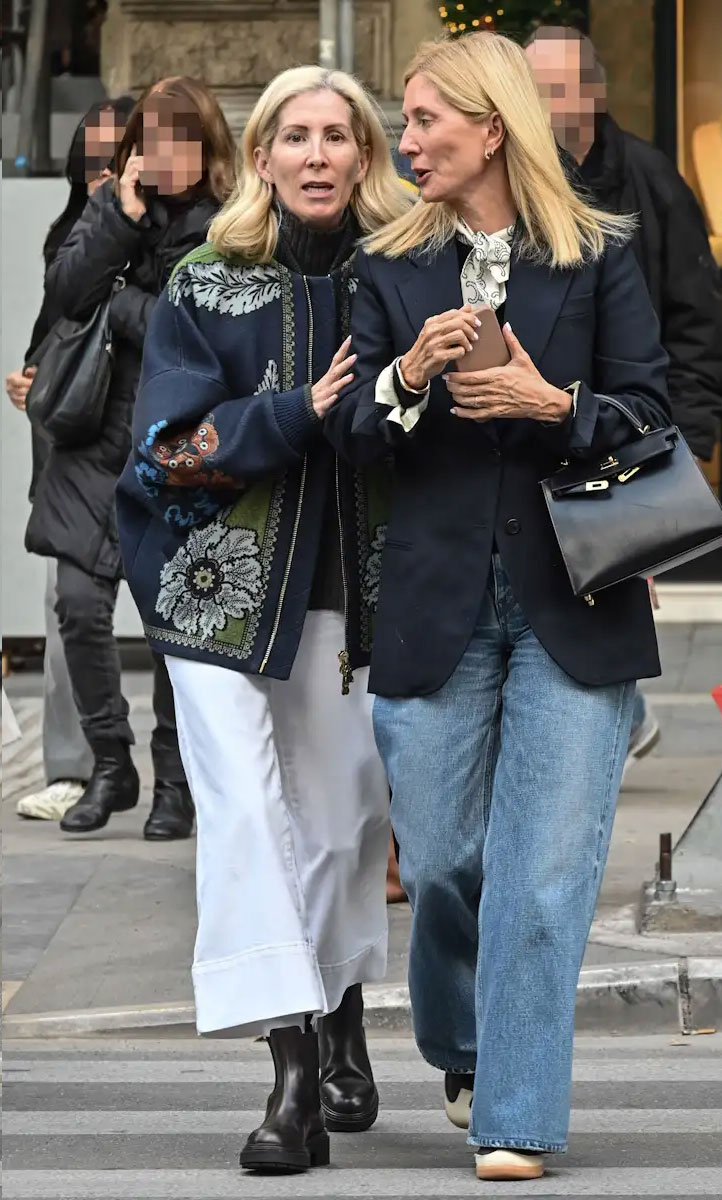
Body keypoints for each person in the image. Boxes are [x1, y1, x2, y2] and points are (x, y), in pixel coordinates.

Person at [325, 32, 671, 1183]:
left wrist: (550, 403)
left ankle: (513, 1114)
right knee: (440, 859)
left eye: (424, 117)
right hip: (435, 603)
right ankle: (464, 1043)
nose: (406, 137)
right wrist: (408, 377)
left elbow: (651, 416)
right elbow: (354, 438)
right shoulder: (386, 267)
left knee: (542, 870)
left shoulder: (596, 256)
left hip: (575, 594)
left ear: (489, 127)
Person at [116, 66, 412, 1175]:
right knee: (244, 811)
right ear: (262, 156)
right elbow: (168, 448)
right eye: (296, 135)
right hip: (215, 590)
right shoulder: (207, 279)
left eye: (338, 134)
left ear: (365, 154)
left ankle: (339, 1009)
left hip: (351, 591)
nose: (317, 154)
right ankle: (290, 1072)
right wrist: (295, 412)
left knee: (339, 826)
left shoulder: (403, 273)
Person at [24, 77, 236, 840]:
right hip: (90, 440)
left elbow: (200, 333)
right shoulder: (112, 206)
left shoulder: (228, 226)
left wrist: (119, 305)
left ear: (207, 150)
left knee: (168, 623)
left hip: (173, 448)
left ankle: (174, 783)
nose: (166, 153)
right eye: (153, 138)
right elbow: (63, 292)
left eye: (182, 140)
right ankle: (110, 764)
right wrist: (119, 216)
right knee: (78, 606)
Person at [525, 26, 722, 778]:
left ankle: (614, 725)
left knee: (607, 588)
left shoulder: (649, 180)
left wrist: (688, 444)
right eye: (529, 88)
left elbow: (696, 322)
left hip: (623, 430)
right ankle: (620, 719)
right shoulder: (510, 179)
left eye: (552, 88)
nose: (541, 105)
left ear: (592, 93)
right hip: (534, 432)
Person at [6, 97, 134, 821]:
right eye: (92, 156)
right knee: (69, 612)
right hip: (74, 448)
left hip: (148, 441)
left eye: (116, 155)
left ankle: (180, 780)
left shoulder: (168, 234)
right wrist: (35, 382)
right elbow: (51, 338)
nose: (102, 170)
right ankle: (74, 767)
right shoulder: (69, 237)